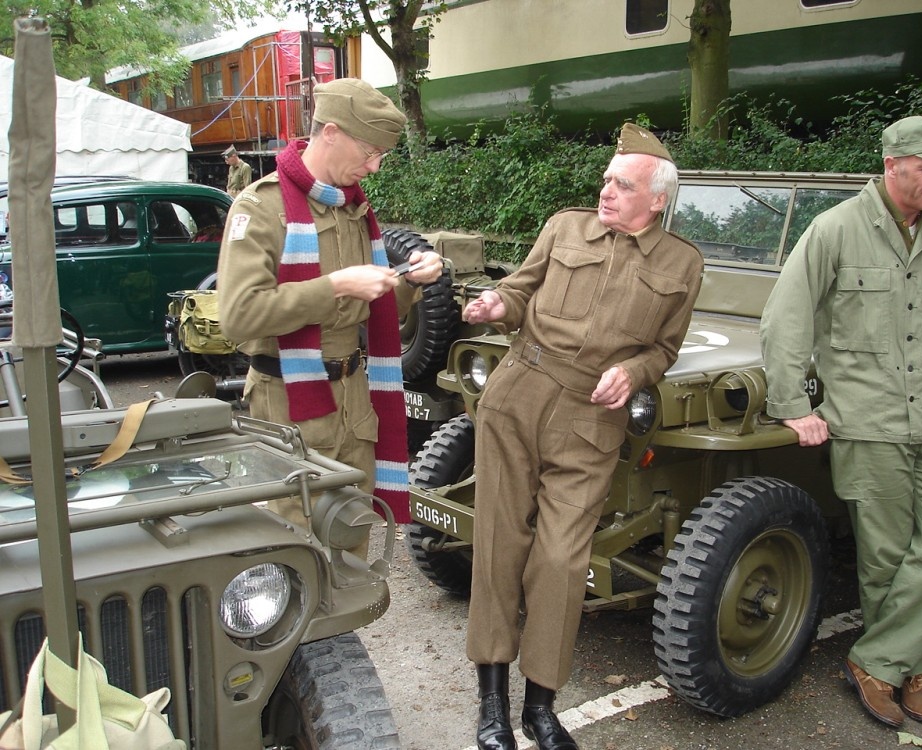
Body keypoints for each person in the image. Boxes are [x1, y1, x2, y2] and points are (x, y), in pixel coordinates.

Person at [462, 123, 704, 750]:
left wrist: (635, 371)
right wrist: (497, 304)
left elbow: (665, 348)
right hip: (518, 393)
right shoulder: (565, 226)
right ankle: (492, 703)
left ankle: (541, 705)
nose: (606, 191)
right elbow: (522, 288)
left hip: (591, 419)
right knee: (498, 543)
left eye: (622, 185)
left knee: (561, 560)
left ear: (657, 199)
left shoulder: (683, 264)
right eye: (605, 180)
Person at [760, 115, 922, 728]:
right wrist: (793, 406)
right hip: (866, 422)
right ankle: (918, 667)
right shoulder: (834, 230)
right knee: (886, 557)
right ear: (892, 165)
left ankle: (876, 659)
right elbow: (787, 317)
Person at [216, 78, 442, 528]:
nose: (375, 167)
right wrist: (335, 286)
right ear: (332, 132)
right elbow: (238, 316)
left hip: (353, 402)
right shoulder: (261, 208)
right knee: (296, 545)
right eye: (369, 152)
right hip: (287, 403)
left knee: (352, 533)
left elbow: (374, 314)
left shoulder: (352, 209)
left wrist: (409, 282)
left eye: (382, 155)